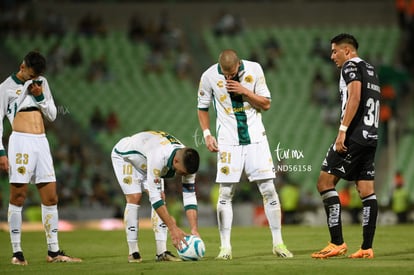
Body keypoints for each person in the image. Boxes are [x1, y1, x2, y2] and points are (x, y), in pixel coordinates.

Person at [197, 49, 293, 260]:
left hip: (256, 140)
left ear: (238, 64)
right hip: (228, 143)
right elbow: (202, 107)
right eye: (225, 73)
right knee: (225, 193)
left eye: (232, 73)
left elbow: (266, 104)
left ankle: (278, 243)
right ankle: (225, 248)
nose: (228, 77)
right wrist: (206, 134)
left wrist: (244, 91)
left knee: (268, 189)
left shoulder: (255, 69)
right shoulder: (209, 76)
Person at [0, 51, 82, 265]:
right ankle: (17, 253)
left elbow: (53, 114)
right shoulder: (5, 88)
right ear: (22, 66)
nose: (33, 78)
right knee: (18, 196)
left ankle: (53, 252)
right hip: (21, 142)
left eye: (37, 75)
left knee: (51, 197)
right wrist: (0, 152)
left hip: (42, 142)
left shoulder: (41, 82)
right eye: (31, 74)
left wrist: (39, 97)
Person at [311, 34, 380, 259]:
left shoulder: (350, 66)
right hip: (371, 135)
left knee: (324, 182)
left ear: (347, 51)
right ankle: (366, 248)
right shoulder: (370, 68)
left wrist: (342, 131)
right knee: (367, 191)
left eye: (335, 51)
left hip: (354, 136)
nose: (332, 56)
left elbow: (355, 97)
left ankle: (336, 242)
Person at [111, 130, 201, 262]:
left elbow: (189, 195)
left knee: (161, 197)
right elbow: (154, 199)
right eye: (182, 173)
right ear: (175, 161)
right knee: (135, 197)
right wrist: (173, 229)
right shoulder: (159, 156)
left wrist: (194, 229)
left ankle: (162, 252)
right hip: (126, 157)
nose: (184, 176)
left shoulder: (187, 160)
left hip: (147, 161)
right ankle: (133, 252)